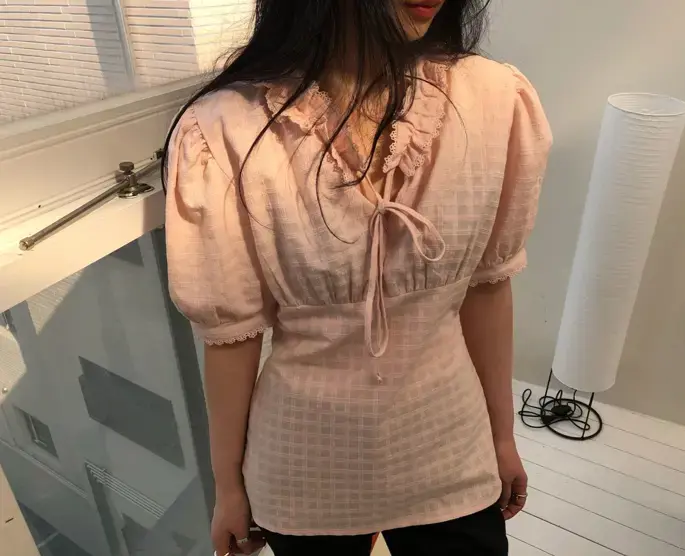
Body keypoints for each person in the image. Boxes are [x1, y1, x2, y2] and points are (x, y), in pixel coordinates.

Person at [163, 1, 551, 554]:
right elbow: (232, 336)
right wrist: (228, 488)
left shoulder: (493, 99)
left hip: (451, 444)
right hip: (302, 466)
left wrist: (502, 437)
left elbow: (488, 289)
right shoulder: (226, 129)